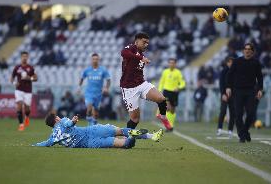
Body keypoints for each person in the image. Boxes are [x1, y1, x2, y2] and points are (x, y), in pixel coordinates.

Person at [120, 32, 172, 130]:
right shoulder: (131, 48)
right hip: (128, 88)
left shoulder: (141, 54)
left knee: (161, 98)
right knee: (135, 119)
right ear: (137, 41)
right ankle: (127, 138)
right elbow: (123, 53)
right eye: (144, 42)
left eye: (147, 43)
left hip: (141, 83)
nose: (146, 45)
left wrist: (141, 58)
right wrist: (141, 58)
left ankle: (163, 116)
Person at [32, 113, 163, 149]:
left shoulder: (54, 137)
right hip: (92, 130)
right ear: (56, 119)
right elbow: (68, 123)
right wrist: (73, 121)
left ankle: (131, 138)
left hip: (91, 143)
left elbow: (46, 143)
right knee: (122, 131)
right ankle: (151, 136)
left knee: (125, 145)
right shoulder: (63, 122)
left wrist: (35, 144)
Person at [226, 43, 263, 143]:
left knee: (251, 114)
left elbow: (260, 77)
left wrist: (260, 89)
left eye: (249, 49)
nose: (247, 50)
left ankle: (245, 131)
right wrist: (228, 87)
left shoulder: (256, 63)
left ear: (252, 51)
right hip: (238, 91)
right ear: (243, 50)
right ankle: (242, 136)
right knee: (238, 115)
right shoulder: (237, 61)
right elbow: (229, 75)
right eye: (245, 49)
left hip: (251, 91)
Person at [78, 53, 111, 125]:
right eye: (93, 59)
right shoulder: (87, 70)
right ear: (91, 60)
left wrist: (106, 88)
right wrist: (79, 88)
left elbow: (108, 80)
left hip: (98, 94)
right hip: (89, 93)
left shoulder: (103, 70)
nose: (95, 60)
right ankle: (89, 124)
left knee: (96, 112)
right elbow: (81, 79)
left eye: (96, 59)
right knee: (89, 108)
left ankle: (94, 122)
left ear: (98, 60)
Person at [10, 51, 37, 131]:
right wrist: (14, 83)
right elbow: (12, 78)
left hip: (28, 91)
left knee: (27, 108)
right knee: (19, 105)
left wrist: (30, 78)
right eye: (23, 56)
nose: (24, 58)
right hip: (19, 90)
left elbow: (36, 78)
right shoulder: (17, 67)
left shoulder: (31, 68)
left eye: (26, 56)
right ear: (21, 57)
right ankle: (21, 124)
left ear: (27, 57)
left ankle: (27, 116)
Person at [158, 58, 186, 131]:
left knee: (173, 110)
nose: (171, 64)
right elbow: (161, 82)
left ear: (175, 64)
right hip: (166, 91)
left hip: (174, 92)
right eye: (170, 63)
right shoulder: (165, 72)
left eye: (173, 63)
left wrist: (179, 87)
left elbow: (183, 83)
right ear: (168, 64)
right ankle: (168, 125)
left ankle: (171, 125)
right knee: (167, 108)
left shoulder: (178, 72)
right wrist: (160, 90)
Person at [217, 57, 235, 138]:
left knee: (233, 113)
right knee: (223, 111)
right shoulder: (224, 71)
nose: (230, 63)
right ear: (227, 63)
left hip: (233, 95)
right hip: (224, 94)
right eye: (229, 62)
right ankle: (219, 128)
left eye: (232, 62)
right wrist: (223, 94)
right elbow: (221, 83)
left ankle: (230, 130)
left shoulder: (236, 71)